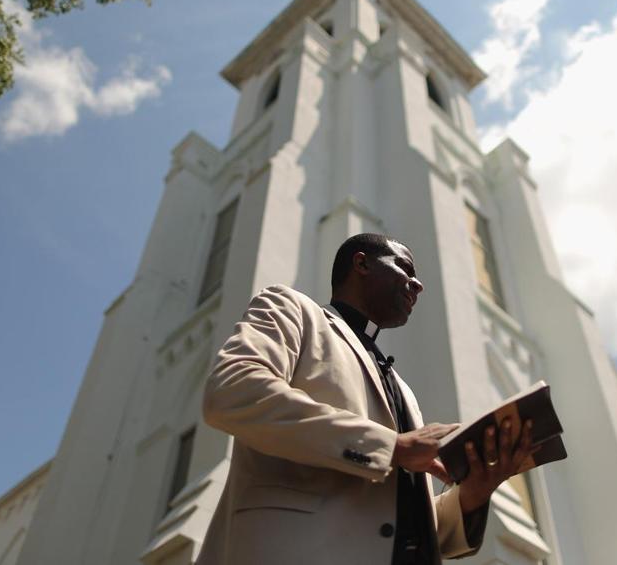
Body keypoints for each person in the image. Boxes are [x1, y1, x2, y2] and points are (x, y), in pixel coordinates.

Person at [197, 233, 533, 564]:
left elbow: (388, 526)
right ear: (362, 264)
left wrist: (471, 496)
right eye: (405, 268)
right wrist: (391, 447)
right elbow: (232, 389)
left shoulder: (403, 390)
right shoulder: (291, 309)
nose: (418, 285)